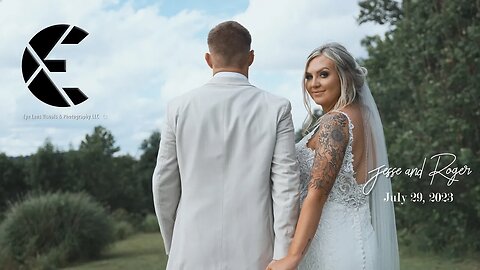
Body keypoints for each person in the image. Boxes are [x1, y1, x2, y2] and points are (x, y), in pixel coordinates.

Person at [152, 21, 300, 270]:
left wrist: (174, 241)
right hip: (256, 250)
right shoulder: (277, 107)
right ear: (251, 58)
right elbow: (287, 185)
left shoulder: (178, 108)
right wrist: (283, 253)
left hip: (190, 245)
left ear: (208, 59)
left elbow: (163, 182)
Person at [266, 43, 400, 270]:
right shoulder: (363, 117)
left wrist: (292, 257)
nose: (314, 84)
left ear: (345, 76)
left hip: (335, 250)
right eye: (308, 76)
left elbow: (316, 195)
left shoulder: (336, 122)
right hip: (356, 240)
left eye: (323, 74)